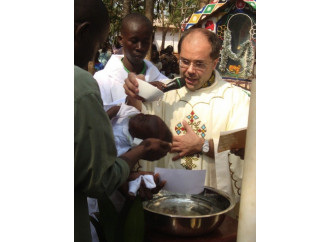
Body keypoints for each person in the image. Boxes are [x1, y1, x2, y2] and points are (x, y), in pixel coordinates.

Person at [74, 1, 171, 241]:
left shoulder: (163, 81)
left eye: (145, 42)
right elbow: (96, 173)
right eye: (98, 44)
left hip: (144, 182)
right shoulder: (93, 82)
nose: (139, 47)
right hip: (107, 190)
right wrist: (143, 148)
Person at [124, 27, 250, 203]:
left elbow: (245, 149)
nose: (190, 70)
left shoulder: (236, 100)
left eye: (199, 64)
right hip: (164, 201)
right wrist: (135, 93)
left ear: (214, 63)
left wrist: (203, 145)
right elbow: (134, 133)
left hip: (212, 203)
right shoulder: (162, 92)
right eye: (185, 61)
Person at [93, 13, 167, 108]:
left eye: (145, 42)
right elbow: (97, 118)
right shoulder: (102, 80)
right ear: (121, 40)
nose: (140, 47)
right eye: (134, 41)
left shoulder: (161, 81)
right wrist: (129, 101)